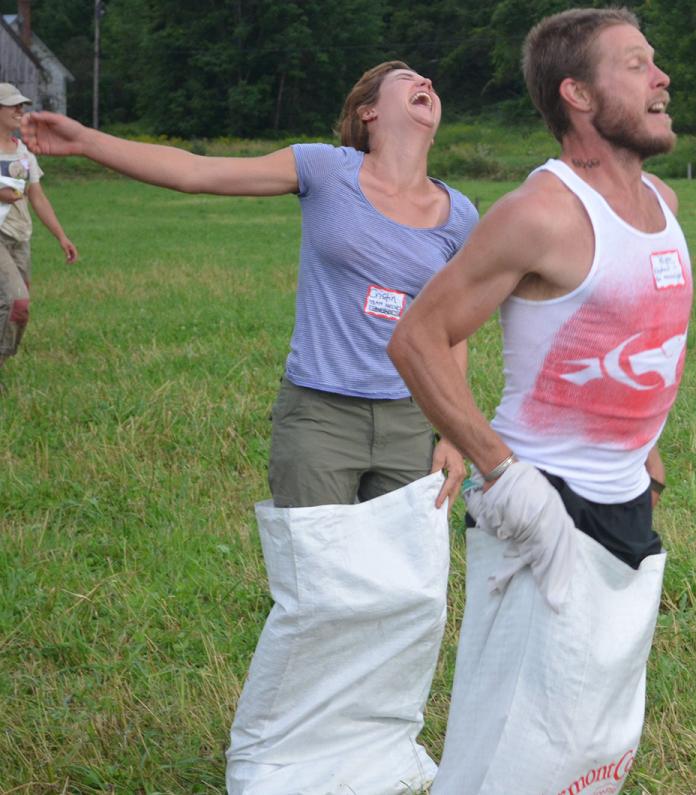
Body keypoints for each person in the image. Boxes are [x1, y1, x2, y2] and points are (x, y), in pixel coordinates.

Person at [23, 62, 476, 792]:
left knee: (405, 596)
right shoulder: (324, 170)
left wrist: (455, 428)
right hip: (319, 415)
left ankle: (377, 755)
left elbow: (456, 324)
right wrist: (87, 141)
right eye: (404, 78)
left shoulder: (460, 214)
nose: (424, 80)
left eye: (428, 79)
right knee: (321, 592)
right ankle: (282, 760)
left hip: (410, 421)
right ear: (367, 112)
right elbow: (196, 172)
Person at [389, 8, 690, 791]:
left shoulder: (663, 203)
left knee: (591, 740)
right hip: (541, 507)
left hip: (624, 504)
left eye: (653, 62)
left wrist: (642, 442)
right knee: (517, 745)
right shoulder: (543, 213)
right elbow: (418, 339)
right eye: (636, 64)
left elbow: (632, 332)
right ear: (578, 95)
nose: (661, 79)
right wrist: (505, 473)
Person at [0, 83, 78, 393]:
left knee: (18, 308)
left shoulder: (22, 151)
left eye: (22, 105)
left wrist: (61, 236)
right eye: (12, 106)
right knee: (17, 302)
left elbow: (37, 196)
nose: (20, 111)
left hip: (21, 237)